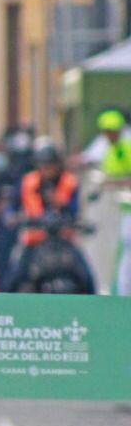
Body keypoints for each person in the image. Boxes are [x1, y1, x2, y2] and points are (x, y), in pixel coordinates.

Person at [9, 139, 94, 292]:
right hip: (34, 241)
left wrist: (59, 203)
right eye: (43, 164)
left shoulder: (69, 181)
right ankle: (6, 311)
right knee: (14, 278)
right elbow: (13, 207)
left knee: (87, 278)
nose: (47, 168)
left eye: (50, 164)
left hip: (63, 240)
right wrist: (13, 217)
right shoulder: (28, 181)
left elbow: (74, 209)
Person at [90, 109, 131, 294]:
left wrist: (110, 183)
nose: (108, 135)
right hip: (119, 208)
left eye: (111, 130)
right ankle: (121, 290)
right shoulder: (111, 150)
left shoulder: (126, 148)